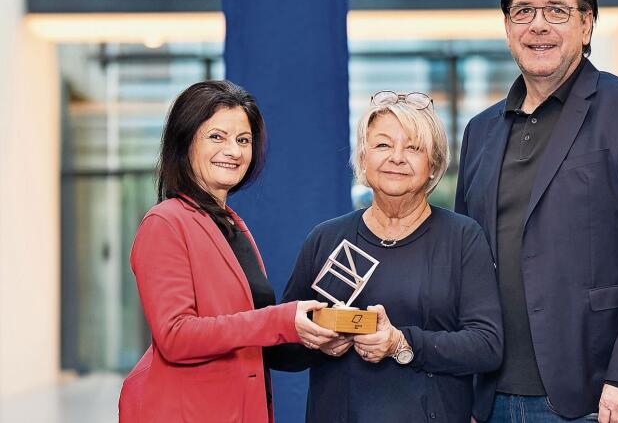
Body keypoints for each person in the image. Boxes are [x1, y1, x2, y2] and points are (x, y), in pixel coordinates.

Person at [455, 0, 618, 423]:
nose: (538, 25)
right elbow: (466, 257)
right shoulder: (480, 130)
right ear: (508, 26)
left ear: (586, 25)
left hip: (590, 391)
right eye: (524, 11)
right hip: (489, 391)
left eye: (556, 11)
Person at [117, 80, 337, 423]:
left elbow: (251, 335)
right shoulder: (165, 223)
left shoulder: (231, 225)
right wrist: (279, 319)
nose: (233, 151)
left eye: (243, 140)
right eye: (217, 137)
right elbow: (175, 335)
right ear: (185, 141)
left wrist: (311, 337)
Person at [278, 91, 503, 423]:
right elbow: (281, 349)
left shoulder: (462, 237)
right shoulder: (325, 239)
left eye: (413, 148)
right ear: (363, 159)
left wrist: (401, 343)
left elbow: (487, 346)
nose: (397, 157)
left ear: (434, 164)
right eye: (383, 145)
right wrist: (313, 339)